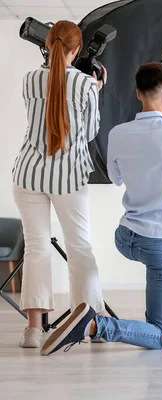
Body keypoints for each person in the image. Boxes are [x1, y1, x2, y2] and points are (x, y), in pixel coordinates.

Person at [40, 62, 162, 355]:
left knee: (155, 294)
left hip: (126, 238)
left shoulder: (118, 133)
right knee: (161, 335)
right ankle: (94, 326)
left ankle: (94, 322)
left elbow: (116, 179)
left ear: (137, 93)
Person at [11, 20, 107, 349]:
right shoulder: (86, 85)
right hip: (68, 177)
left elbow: (44, 113)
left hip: (28, 174)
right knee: (80, 249)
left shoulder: (29, 80)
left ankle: (33, 331)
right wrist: (97, 90)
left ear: (48, 45)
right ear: (77, 50)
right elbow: (91, 131)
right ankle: (90, 323)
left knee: (36, 249)